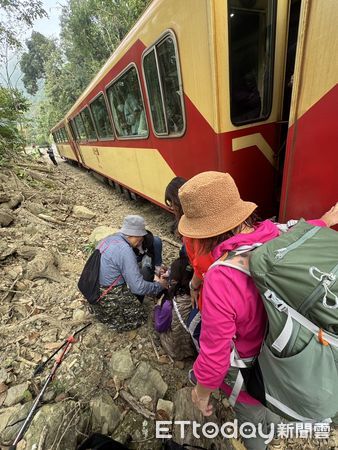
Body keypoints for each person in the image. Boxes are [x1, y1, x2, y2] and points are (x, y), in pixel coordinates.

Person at [177, 171, 338, 450]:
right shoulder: (280, 234)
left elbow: (215, 357)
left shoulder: (221, 278)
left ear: (202, 233)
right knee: (272, 408)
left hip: (252, 376)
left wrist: (201, 394)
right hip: (289, 362)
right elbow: (310, 227)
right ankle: (275, 423)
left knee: (251, 418)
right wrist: (325, 221)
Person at [91, 215, 168, 332]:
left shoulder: (110, 239)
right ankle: (108, 312)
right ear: (135, 235)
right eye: (141, 238)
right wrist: (159, 286)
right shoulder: (125, 250)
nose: (140, 242)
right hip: (107, 294)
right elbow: (137, 287)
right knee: (140, 317)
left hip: (94, 289)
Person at [165, 177, 213, 309]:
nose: (172, 208)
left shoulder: (192, 231)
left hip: (207, 283)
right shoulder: (207, 218)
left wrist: (193, 286)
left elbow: (202, 265)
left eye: (171, 203)